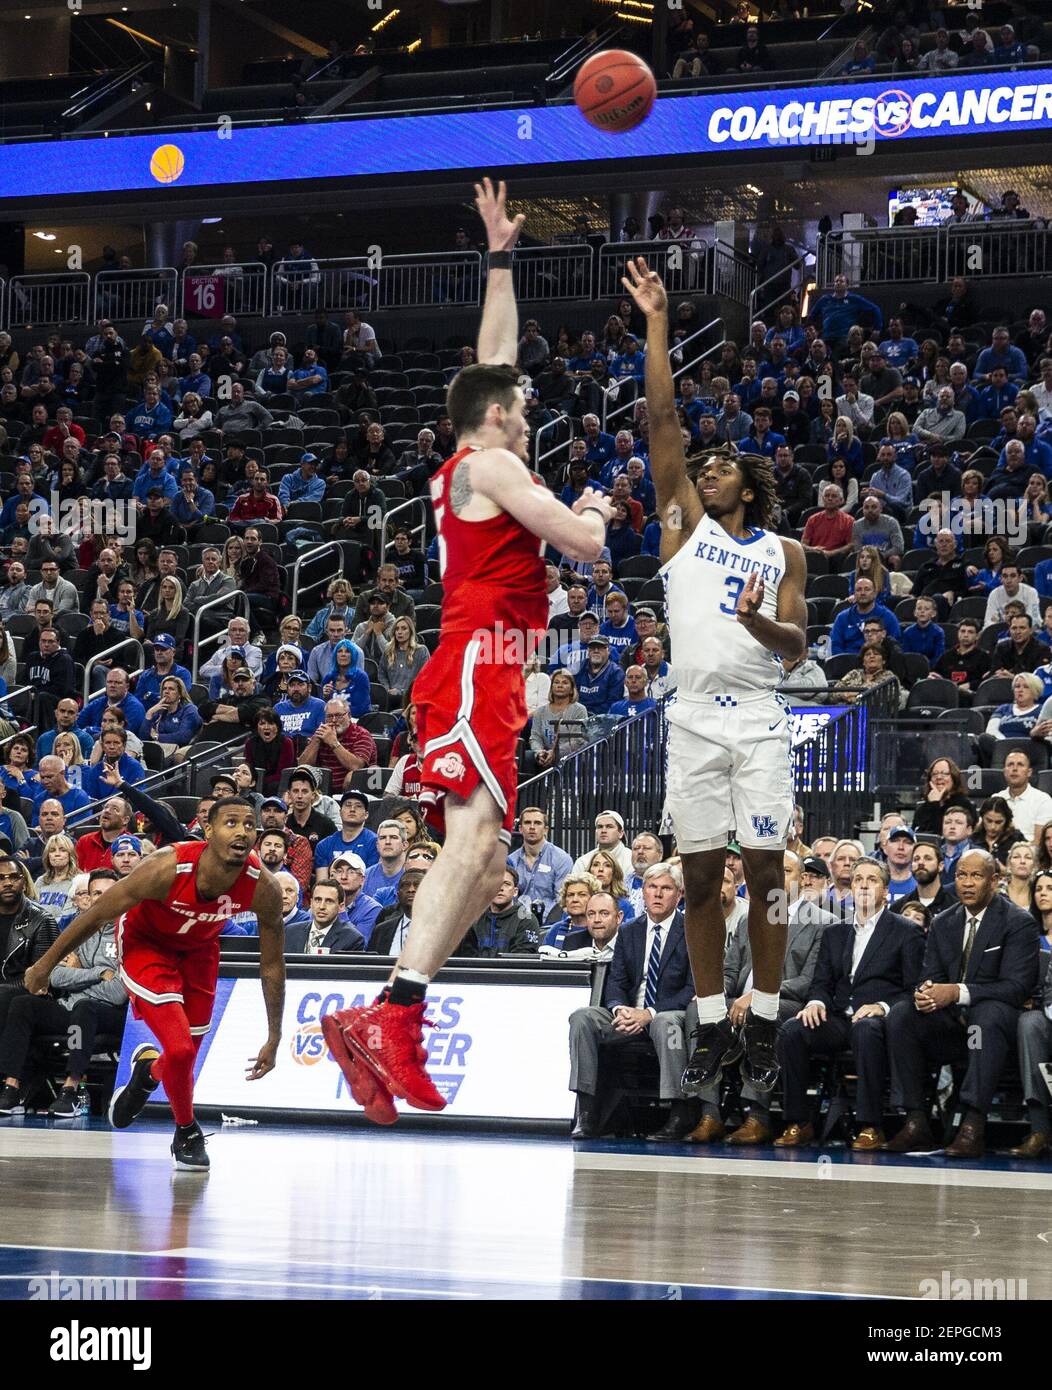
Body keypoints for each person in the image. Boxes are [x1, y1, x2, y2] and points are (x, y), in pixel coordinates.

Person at [321, 180, 615, 1126]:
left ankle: (391, 1014)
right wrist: (601, 509)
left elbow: (495, 357)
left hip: (485, 658)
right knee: (475, 843)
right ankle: (392, 1013)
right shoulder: (496, 462)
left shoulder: (473, 450)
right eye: (519, 403)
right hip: (482, 657)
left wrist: (498, 256)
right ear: (497, 418)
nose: (528, 405)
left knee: (485, 860)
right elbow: (581, 544)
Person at [619, 255, 807, 1100]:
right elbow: (662, 419)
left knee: (765, 875)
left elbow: (795, 647)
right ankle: (704, 1029)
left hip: (763, 713)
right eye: (702, 466)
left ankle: (762, 1021)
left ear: (750, 485)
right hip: (691, 716)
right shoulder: (681, 530)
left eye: (724, 466)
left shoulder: (784, 550)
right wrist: (657, 321)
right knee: (695, 878)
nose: (707, 470)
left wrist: (757, 620)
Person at [24, 799, 285, 1171]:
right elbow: (97, 914)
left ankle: (148, 1072)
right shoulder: (166, 866)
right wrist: (44, 965)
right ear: (208, 830)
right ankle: (186, 1130)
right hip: (146, 944)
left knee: (184, 1056)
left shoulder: (264, 887)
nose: (242, 831)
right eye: (231, 822)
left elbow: (272, 965)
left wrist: (274, 1035)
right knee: (180, 1050)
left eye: (249, 824)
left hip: (199, 951)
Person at [884, 850, 1038, 1159]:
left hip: (993, 1028)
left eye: (976, 876)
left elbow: (1016, 987)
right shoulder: (944, 921)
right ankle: (915, 1120)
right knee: (902, 1014)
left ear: (995, 881)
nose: (967, 883)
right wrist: (925, 994)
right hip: (952, 1026)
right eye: (961, 876)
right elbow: (930, 976)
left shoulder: (1018, 922)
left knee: (986, 1017)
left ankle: (973, 1123)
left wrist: (957, 992)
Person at [568, 864, 696, 1140]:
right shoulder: (629, 931)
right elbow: (616, 981)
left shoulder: (692, 931)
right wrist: (620, 1009)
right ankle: (587, 1112)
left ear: (679, 895)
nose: (658, 894)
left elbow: (693, 988)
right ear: (644, 893)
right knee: (583, 1017)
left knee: (666, 1022)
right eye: (652, 888)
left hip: (668, 1013)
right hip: (628, 1013)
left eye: (666, 888)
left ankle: (678, 1113)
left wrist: (648, 1013)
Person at [0, 868, 129, 1119]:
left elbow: (118, 993)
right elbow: (54, 976)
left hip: (111, 1014)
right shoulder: (79, 931)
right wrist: (99, 972)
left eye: (108, 893)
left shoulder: (130, 933)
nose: (101, 899)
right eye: (96, 894)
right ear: (88, 898)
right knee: (23, 1004)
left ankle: (71, 1089)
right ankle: (12, 1086)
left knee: (85, 1008)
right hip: (72, 1007)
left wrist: (78, 974)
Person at [284, 881, 364, 955]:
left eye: (329, 901)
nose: (322, 907)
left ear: (340, 906)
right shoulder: (290, 932)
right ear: (311, 903)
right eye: (318, 900)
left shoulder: (352, 938)